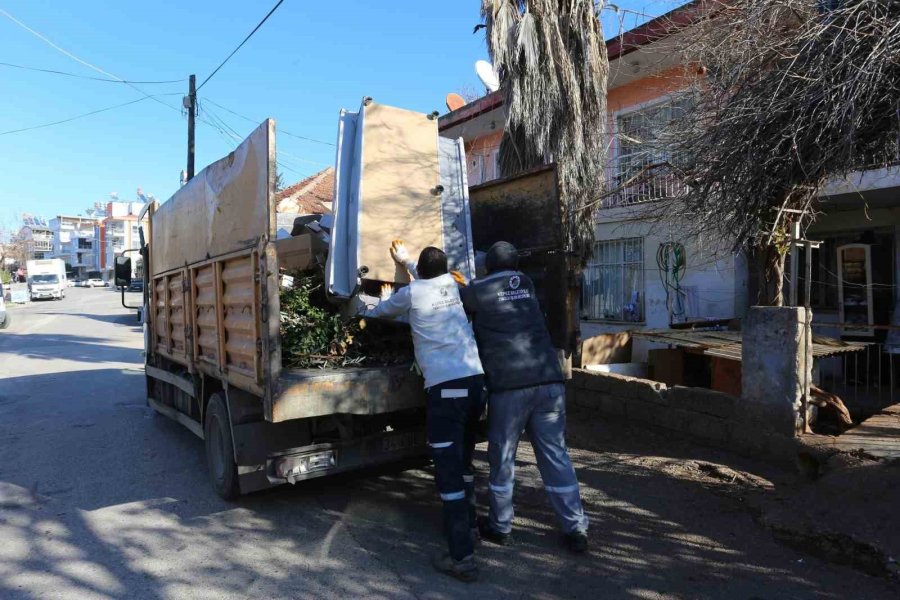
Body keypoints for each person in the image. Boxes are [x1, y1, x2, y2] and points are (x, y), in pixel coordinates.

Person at [364, 241, 485, 582]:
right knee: (463, 463)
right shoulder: (456, 284)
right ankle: (471, 527)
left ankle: (461, 556)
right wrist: (407, 261)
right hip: (475, 384)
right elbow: (431, 279)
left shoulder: (412, 294)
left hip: (446, 390)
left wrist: (384, 297)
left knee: (447, 474)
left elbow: (379, 313)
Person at [460, 241, 589, 553]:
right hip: (549, 382)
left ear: (488, 266)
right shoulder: (527, 284)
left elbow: (456, 295)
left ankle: (500, 526)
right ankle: (576, 528)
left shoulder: (479, 289)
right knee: (556, 455)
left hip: (511, 387)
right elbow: (506, 283)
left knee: (502, 456)